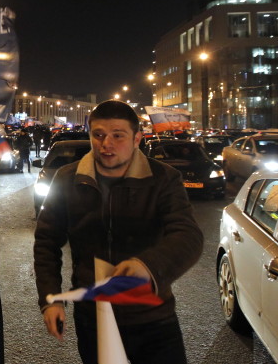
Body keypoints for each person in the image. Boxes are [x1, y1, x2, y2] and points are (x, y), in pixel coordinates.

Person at [34, 99, 203, 364]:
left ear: (137, 139)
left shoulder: (163, 178)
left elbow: (188, 235)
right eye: (98, 135)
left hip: (154, 318)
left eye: (117, 135)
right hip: (95, 319)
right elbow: (46, 241)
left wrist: (147, 265)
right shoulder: (68, 179)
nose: (106, 144)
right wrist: (50, 299)